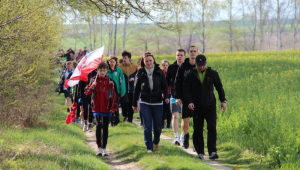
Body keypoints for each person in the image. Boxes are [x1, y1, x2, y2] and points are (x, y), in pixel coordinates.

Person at [183, 54, 226, 160]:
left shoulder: (213, 73)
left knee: (211, 127)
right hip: (196, 106)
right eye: (199, 65)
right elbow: (186, 90)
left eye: (203, 65)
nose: (201, 67)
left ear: (206, 63)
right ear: (195, 64)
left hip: (210, 105)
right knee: (198, 129)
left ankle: (212, 151)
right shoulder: (190, 74)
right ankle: (200, 152)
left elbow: (219, 87)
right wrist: (189, 102)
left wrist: (223, 101)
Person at [132, 54, 169, 152]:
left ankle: (156, 141)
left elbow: (165, 86)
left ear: (154, 61)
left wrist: (166, 96)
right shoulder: (140, 72)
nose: (148, 63)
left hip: (158, 103)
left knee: (157, 128)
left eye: (150, 60)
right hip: (145, 102)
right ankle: (149, 147)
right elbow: (136, 89)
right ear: (143, 62)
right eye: (146, 61)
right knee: (147, 126)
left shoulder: (159, 72)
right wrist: (134, 104)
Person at [84, 62, 118, 156]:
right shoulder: (93, 80)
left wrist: (113, 108)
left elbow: (115, 96)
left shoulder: (111, 82)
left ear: (106, 71)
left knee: (106, 127)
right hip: (96, 107)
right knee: (99, 125)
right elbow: (86, 92)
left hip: (107, 108)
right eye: (100, 70)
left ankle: (104, 148)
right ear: (97, 70)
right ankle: (98, 147)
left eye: (104, 70)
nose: (102, 72)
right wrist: (92, 86)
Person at [174, 46, 198, 149]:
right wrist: (178, 97)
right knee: (185, 120)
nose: (193, 53)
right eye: (191, 51)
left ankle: (197, 142)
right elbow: (177, 82)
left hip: (198, 97)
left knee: (198, 121)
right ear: (188, 53)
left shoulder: (200, 65)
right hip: (185, 97)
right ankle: (185, 135)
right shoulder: (183, 66)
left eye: (194, 51)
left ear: (197, 53)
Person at [166, 49, 186, 145]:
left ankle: (183, 136)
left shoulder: (188, 67)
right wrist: (164, 93)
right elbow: (166, 82)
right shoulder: (171, 68)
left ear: (184, 56)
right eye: (178, 55)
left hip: (186, 96)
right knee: (175, 116)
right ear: (175, 56)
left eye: (181, 55)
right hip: (174, 95)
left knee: (184, 118)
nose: (179, 57)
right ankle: (176, 137)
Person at [106, 56, 126, 126]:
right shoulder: (106, 70)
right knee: (108, 106)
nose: (112, 63)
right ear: (108, 62)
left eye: (113, 62)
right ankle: (108, 120)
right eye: (110, 62)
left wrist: (122, 91)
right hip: (107, 91)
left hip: (116, 91)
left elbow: (122, 81)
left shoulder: (119, 70)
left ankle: (116, 121)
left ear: (116, 62)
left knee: (115, 106)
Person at [119, 50, 138, 122]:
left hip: (132, 88)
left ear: (129, 58)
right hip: (123, 88)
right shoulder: (120, 67)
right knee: (124, 102)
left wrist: (134, 78)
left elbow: (139, 76)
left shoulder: (135, 67)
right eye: (123, 58)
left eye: (125, 58)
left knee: (131, 103)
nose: (124, 59)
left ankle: (130, 119)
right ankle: (125, 115)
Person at [161, 59, 171, 129]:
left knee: (169, 109)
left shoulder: (170, 73)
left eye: (166, 65)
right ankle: (162, 124)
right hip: (162, 93)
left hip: (169, 93)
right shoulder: (160, 73)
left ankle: (168, 125)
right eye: (164, 65)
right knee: (162, 109)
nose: (165, 67)